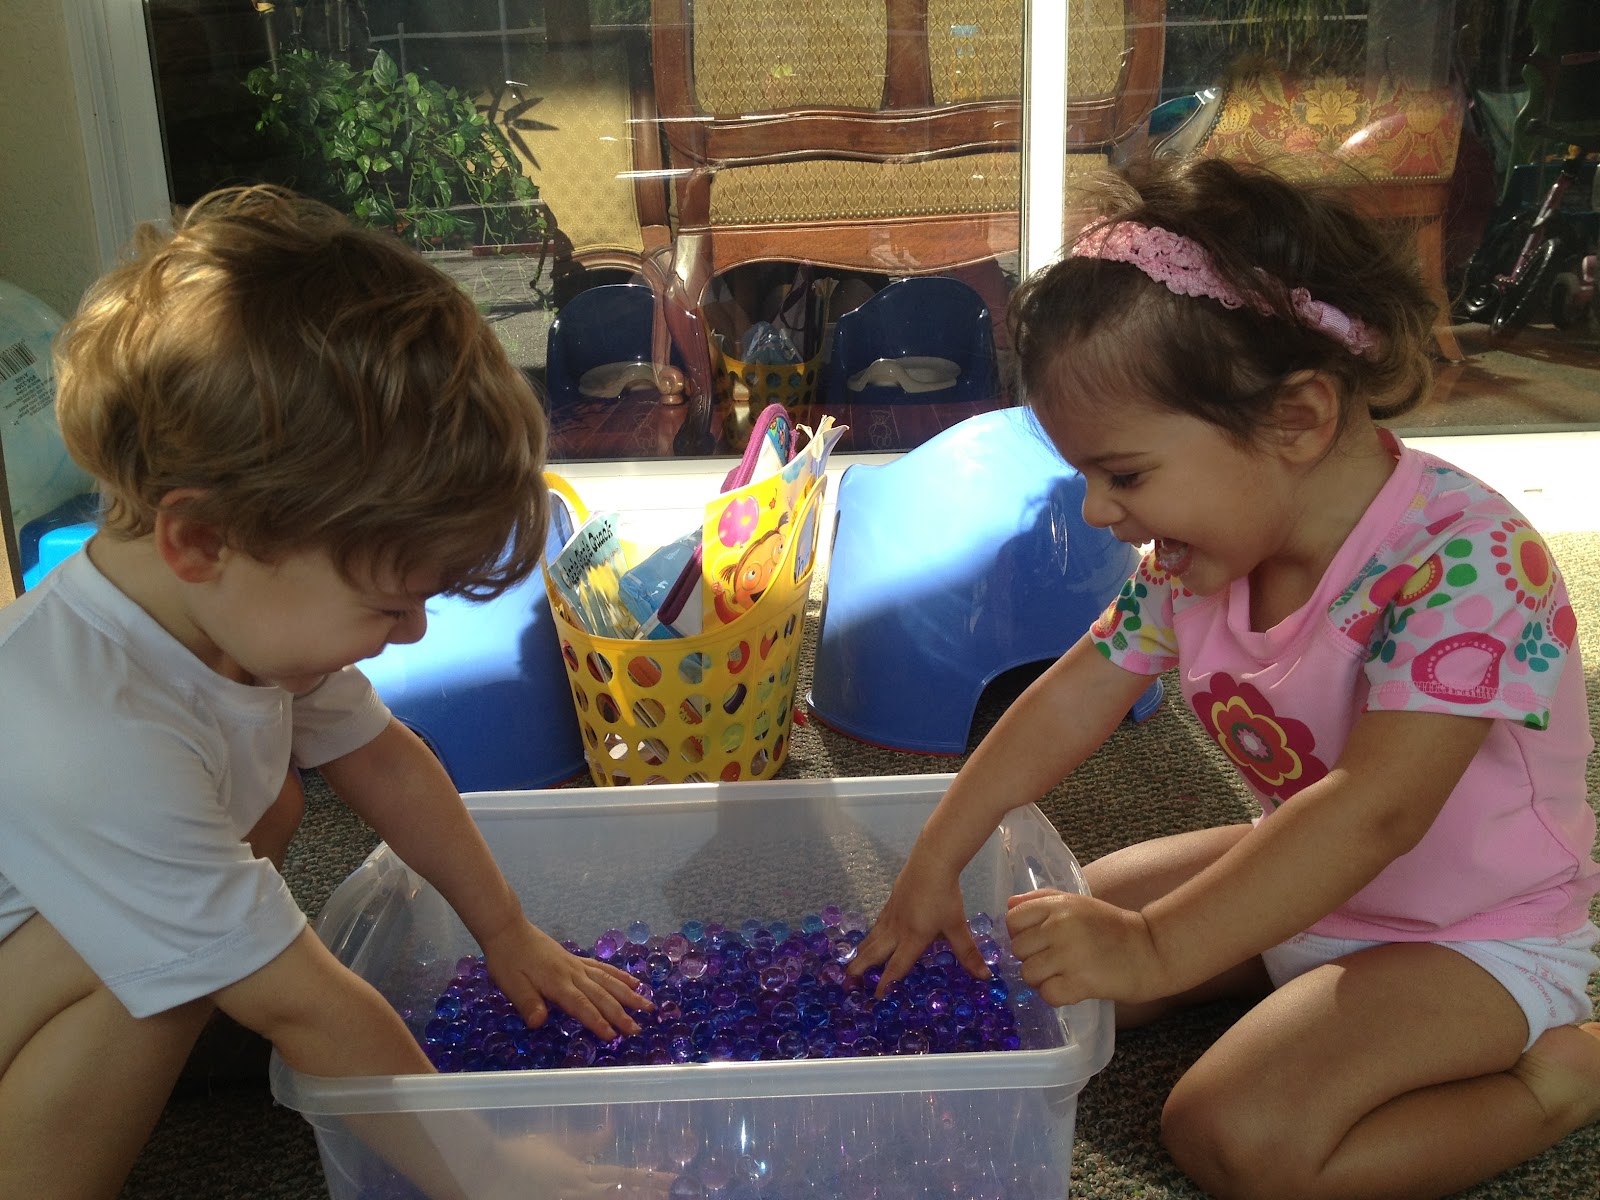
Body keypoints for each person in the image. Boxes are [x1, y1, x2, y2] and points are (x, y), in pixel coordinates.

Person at [850, 156, 1600, 1200]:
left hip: (1471, 934)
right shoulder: (1194, 564)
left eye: (1124, 474)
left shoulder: (1468, 560)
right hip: (1303, 874)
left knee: (1231, 1135)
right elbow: (1072, 695)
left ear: (1297, 419)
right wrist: (940, 850)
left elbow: (1377, 811)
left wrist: (1156, 948)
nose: (1098, 512)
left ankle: (1556, 1083)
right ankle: (1249, 958)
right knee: (1041, 940)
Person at [0, 186, 664, 1199]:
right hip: (34, 968)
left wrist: (507, 933)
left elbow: (387, 762)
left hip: (53, 939)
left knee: (267, 807)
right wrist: (486, 1170)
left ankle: (201, 984)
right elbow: (309, 1006)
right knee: (187, 932)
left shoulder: (227, 613)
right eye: (388, 605)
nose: (415, 633)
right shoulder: (93, 735)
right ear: (200, 540)